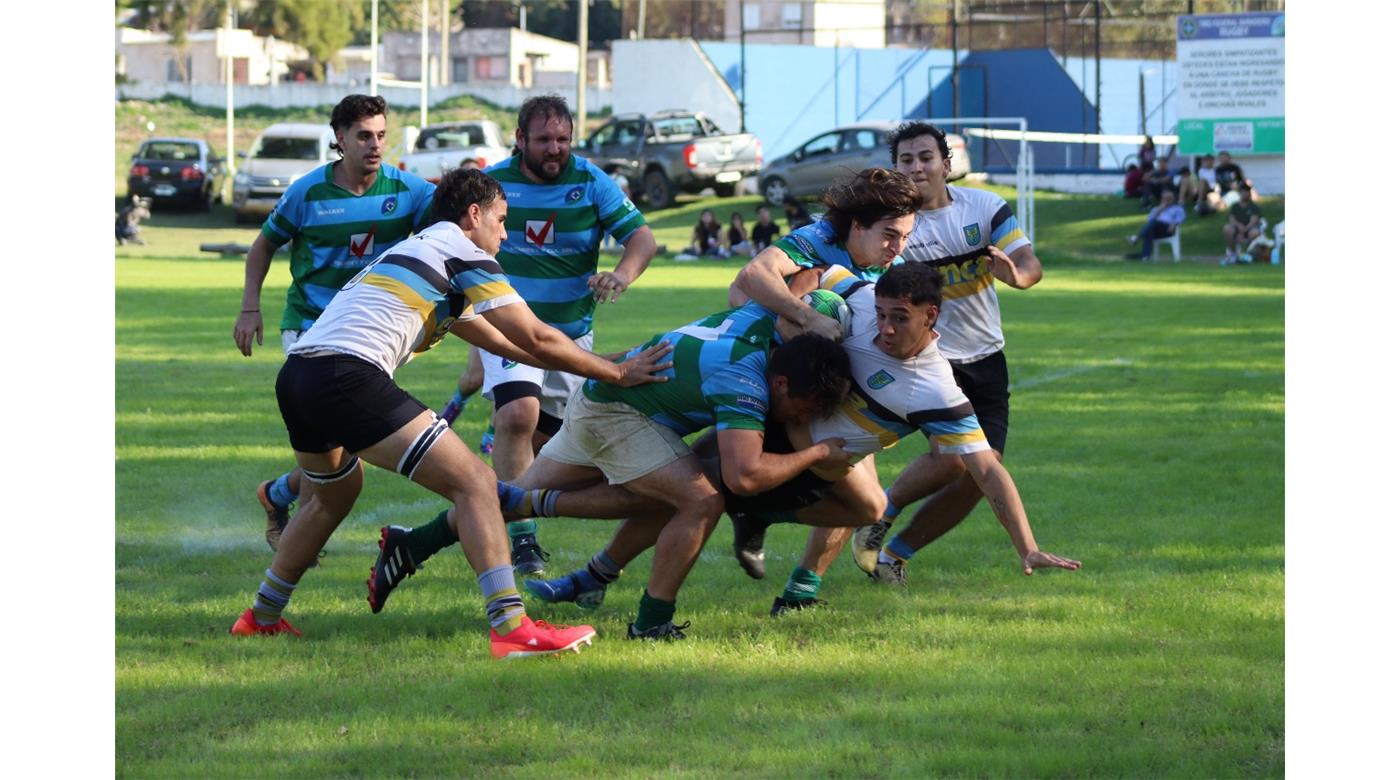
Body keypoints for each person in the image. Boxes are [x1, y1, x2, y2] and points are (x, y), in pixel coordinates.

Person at [228, 168, 673, 659]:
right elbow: (536, 336)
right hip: (345, 374)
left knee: (332, 497)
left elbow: (516, 348)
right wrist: (618, 378)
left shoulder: (425, 253)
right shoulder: (460, 249)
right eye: (501, 221)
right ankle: (512, 627)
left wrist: (612, 363)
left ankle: (260, 618)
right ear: (474, 215)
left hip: (299, 376)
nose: (505, 234)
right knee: (477, 484)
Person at [367, 304, 855, 641]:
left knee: (507, 494)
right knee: (701, 500)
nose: (797, 419)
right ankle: (651, 623)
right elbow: (746, 477)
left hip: (605, 402)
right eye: (800, 409)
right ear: (783, 379)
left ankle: (414, 543)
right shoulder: (744, 377)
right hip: (618, 414)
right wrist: (817, 454)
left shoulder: (761, 317)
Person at [442, 95, 659, 577]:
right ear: (520, 140)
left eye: (562, 139)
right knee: (518, 416)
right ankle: (522, 539)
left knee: (554, 442)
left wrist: (621, 275)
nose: (555, 149)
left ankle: (486, 493)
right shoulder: (496, 183)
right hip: (510, 328)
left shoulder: (592, 182)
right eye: (543, 140)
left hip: (571, 337)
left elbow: (642, 239)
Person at [232, 94, 437, 556]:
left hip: (369, 335)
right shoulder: (307, 192)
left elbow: (453, 216)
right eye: (364, 135)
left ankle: (280, 496)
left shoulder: (408, 191)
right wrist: (250, 308)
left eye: (382, 135)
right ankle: (302, 540)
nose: (375, 145)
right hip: (310, 328)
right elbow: (263, 246)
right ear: (340, 138)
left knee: (344, 441)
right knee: (340, 432)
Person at [841, 120, 1045, 583]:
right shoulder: (893, 227)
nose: (916, 167)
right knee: (957, 459)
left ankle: (893, 553)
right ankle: (881, 511)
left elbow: (1030, 265)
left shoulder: (985, 208)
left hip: (987, 358)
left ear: (946, 165)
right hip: (928, 362)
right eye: (905, 160)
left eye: (925, 157)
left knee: (980, 479)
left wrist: (1017, 276)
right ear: (894, 168)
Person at [726, 167, 922, 577]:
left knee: (868, 505)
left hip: (831, 389)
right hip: (769, 381)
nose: (898, 247)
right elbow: (748, 281)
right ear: (856, 226)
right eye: (890, 234)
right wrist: (805, 316)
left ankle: (767, 530)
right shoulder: (819, 240)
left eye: (906, 236)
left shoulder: (891, 266)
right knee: (705, 481)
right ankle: (603, 573)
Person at [1126, 190, 1187, 261]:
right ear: (1161, 199)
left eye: (1169, 199)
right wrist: (1159, 210)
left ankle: (1136, 238)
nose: (1167, 201)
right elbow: (1149, 221)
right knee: (1149, 232)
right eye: (1165, 199)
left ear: (1173, 200)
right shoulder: (1155, 209)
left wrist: (1174, 223)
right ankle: (1144, 257)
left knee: (1154, 222)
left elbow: (1181, 218)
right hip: (1156, 230)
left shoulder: (1177, 209)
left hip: (1168, 229)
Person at [1221, 186, 1264, 265]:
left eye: (1246, 191)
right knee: (1227, 228)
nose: (1244, 193)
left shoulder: (1253, 206)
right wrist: (1239, 226)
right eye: (1242, 191)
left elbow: (1254, 220)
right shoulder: (1235, 206)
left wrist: (1244, 229)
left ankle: (1246, 253)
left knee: (1255, 232)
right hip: (1237, 230)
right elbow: (1231, 219)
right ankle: (1232, 253)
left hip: (1249, 230)